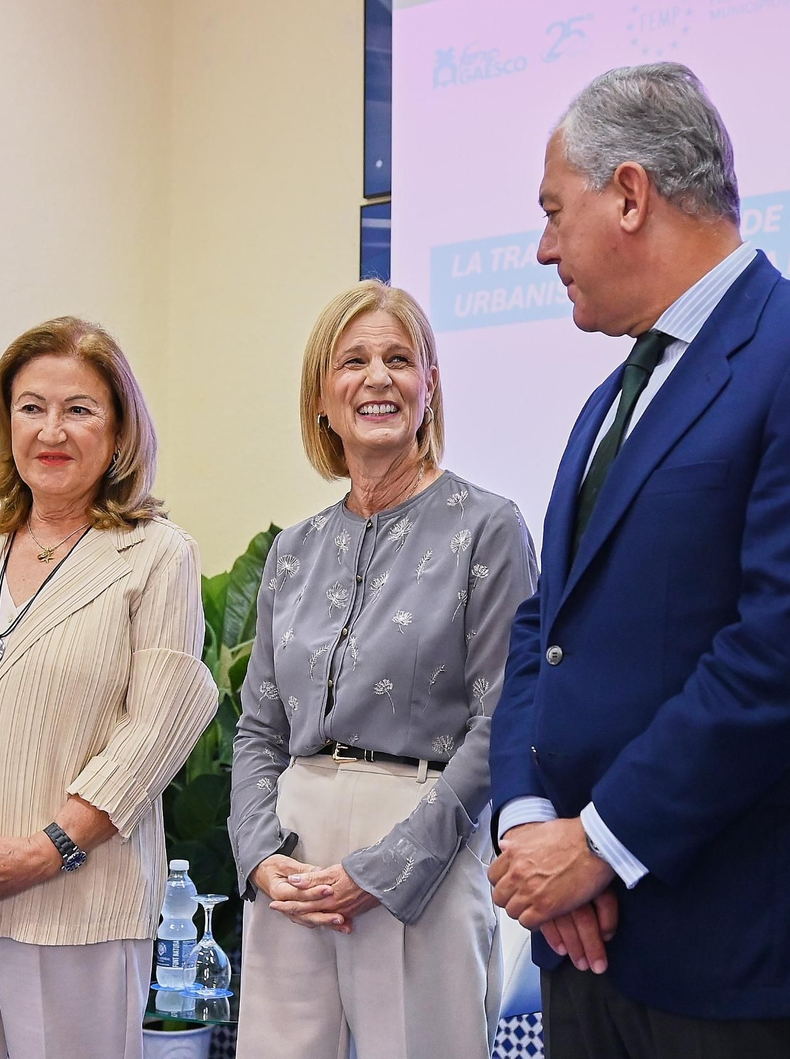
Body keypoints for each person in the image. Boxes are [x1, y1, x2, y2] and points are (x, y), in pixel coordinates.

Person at [486, 63, 790, 1059]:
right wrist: (527, 825)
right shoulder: (610, 400)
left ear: (632, 195)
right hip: (588, 945)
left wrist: (598, 844)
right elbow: (541, 627)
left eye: (557, 211)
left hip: (745, 957)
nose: (544, 247)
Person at [0, 317, 218, 1059]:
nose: (51, 430)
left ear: (119, 432)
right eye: (31, 407)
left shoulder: (157, 557)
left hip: (74, 907)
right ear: (7, 423)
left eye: (79, 409)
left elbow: (158, 725)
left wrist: (47, 850)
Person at [229, 281, 538, 1059]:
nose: (377, 378)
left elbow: (504, 717)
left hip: (423, 849)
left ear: (427, 389)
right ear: (322, 399)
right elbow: (260, 727)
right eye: (354, 361)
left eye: (400, 360)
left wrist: (391, 865)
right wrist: (261, 856)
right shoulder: (291, 552)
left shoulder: (489, 528)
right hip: (291, 862)